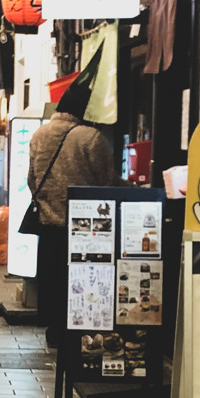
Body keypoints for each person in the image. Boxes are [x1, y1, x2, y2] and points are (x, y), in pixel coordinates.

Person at [27, 45, 117, 347]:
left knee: (51, 278)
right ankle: (78, 331)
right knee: (80, 280)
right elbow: (106, 182)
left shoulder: (39, 134)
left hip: (48, 221)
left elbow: (31, 179)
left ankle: (53, 330)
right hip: (84, 228)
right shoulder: (90, 137)